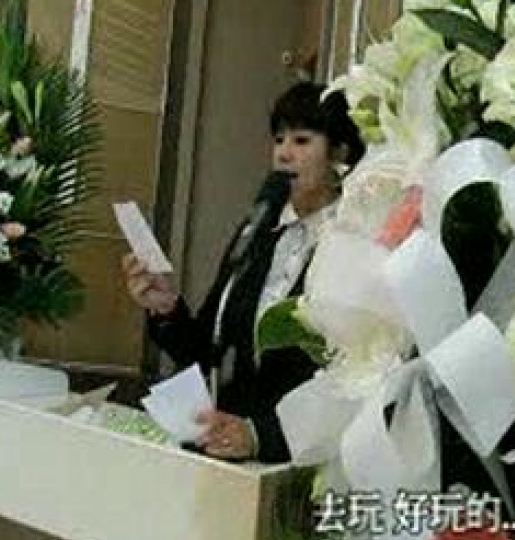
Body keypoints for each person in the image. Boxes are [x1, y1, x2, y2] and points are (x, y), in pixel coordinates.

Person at [121, 82, 364, 463]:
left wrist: (261, 436)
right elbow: (207, 348)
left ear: (339, 152)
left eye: (302, 141)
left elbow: (352, 377)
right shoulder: (257, 232)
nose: (284, 154)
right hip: (228, 448)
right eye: (279, 140)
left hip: (301, 457)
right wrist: (167, 308)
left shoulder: (354, 242)